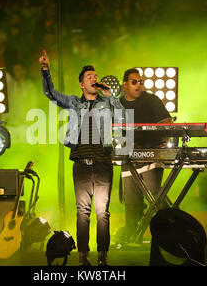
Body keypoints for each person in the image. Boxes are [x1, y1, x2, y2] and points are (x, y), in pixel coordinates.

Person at [39, 49, 124, 266]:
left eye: (95, 76)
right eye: (89, 77)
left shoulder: (106, 103)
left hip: (104, 163)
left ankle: (103, 258)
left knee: (102, 213)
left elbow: (123, 115)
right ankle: (83, 257)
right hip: (81, 165)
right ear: (81, 84)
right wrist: (45, 70)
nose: (94, 79)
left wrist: (110, 97)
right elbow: (51, 94)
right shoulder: (74, 102)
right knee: (83, 212)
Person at [118, 68, 172, 242]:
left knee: (155, 196)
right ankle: (133, 238)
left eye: (140, 82)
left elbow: (167, 124)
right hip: (128, 157)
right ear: (125, 85)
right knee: (131, 201)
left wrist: (157, 144)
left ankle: (170, 235)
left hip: (151, 154)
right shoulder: (117, 104)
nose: (138, 85)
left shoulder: (151, 100)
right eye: (134, 82)